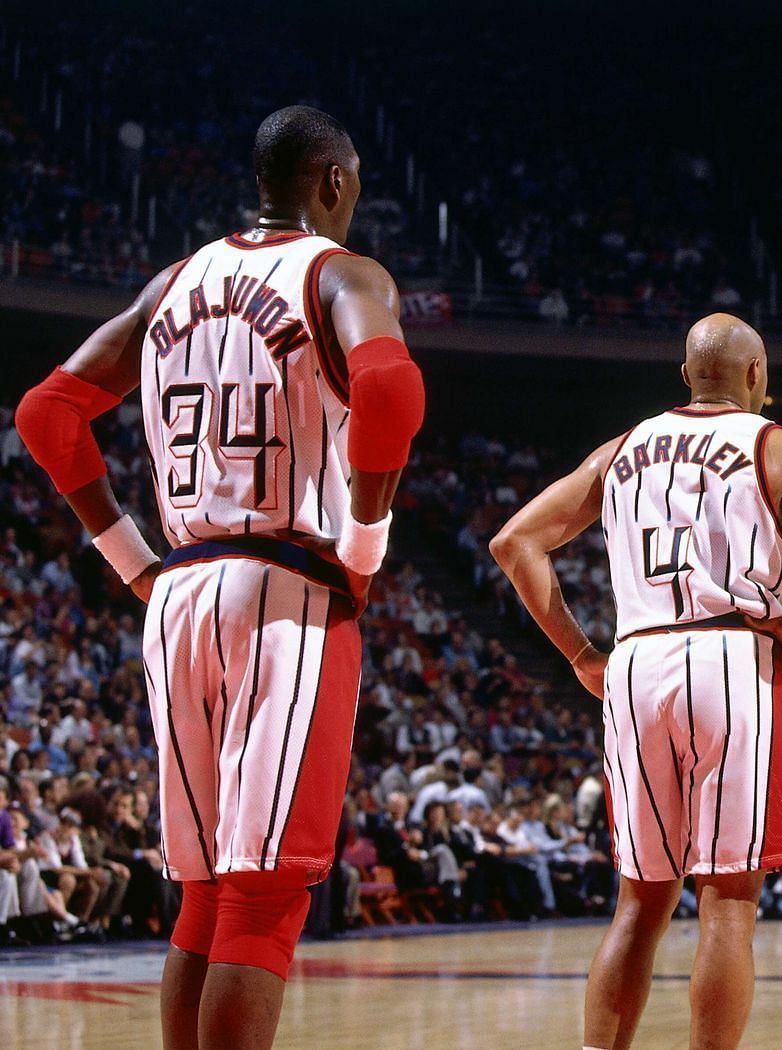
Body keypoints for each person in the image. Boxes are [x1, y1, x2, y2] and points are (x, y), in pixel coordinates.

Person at [15, 105, 424, 1050]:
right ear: (331, 181)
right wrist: (365, 547)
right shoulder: (340, 271)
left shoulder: (172, 282)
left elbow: (48, 413)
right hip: (284, 585)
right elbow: (391, 391)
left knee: (205, 894)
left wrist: (128, 559)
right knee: (265, 897)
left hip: (180, 592)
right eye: (354, 180)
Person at [491, 312, 782, 1050]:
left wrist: (582, 655)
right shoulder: (778, 444)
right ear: (756, 375)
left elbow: (514, 540)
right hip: (731, 658)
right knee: (729, 905)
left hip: (637, 662)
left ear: (685, 376)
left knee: (639, 905)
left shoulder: (621, 450)